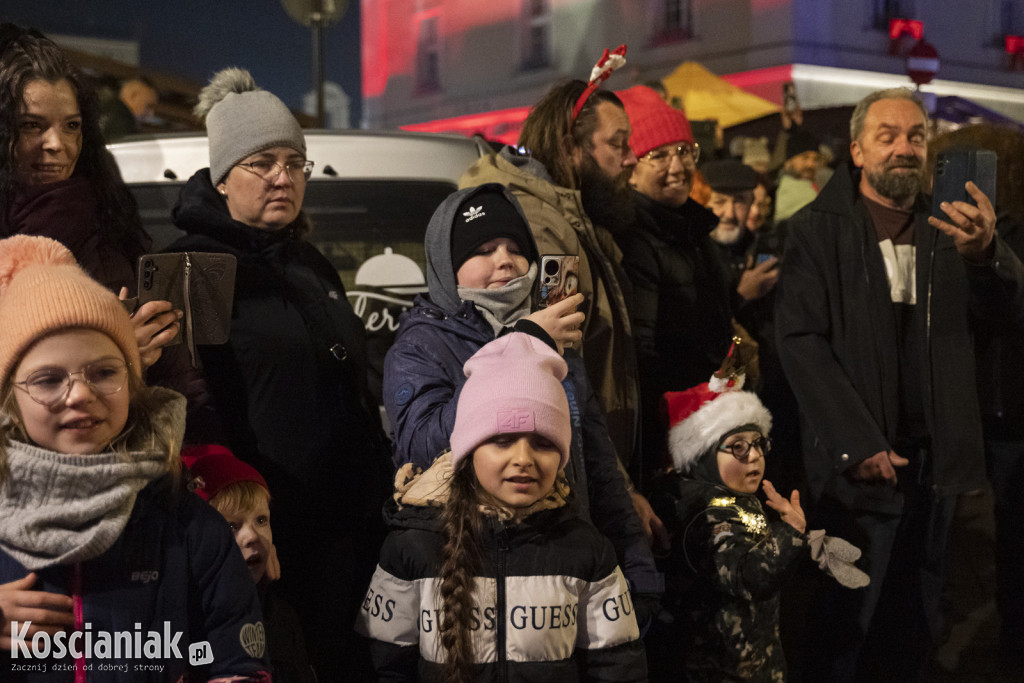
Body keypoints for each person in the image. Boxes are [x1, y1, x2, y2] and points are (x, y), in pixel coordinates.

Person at [774, 87, 1024, 681]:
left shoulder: (954, 226)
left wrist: (986, 255)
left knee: (917, 628)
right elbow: (801, 342)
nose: (904, 148)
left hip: (935, 467)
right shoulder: (817, 230)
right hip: (856, 472)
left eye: (915, 136)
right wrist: (855, 443)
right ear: (857, 151)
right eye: (887, 137)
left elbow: (1006, 315)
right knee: (846, 625)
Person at [149, 67, 390, 678]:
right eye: (262, 162)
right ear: (224, 177)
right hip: (264, 541)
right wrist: (245, 522)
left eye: (295, 162)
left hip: (341, 531)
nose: (283, 177)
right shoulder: (191, 266)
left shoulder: (308, 262)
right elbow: (192, 407)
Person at [0, 235, 269, 681]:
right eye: (48, 379)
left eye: (104, 372)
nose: (81, 394)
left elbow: (234, 659)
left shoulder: (186, 525)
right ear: (10, 398)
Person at [383, 183, 662, 610]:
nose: (505, 260)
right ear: (447, 265)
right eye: (483, 249)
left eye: (515, 246)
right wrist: (522, 343)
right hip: (469, 575)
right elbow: (421, 446)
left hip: (566, 570)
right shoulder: (421, 346)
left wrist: (639, 574)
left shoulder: (554, 336)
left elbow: (597, 466)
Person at [360, 332, 647, 682]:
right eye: (502, 440)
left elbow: (618, 667)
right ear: (468, 450)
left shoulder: (586, 550)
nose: (523, 459)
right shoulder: (411, 546)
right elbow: (385, 667)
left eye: (543, 442)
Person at [459, 74, 641, 474]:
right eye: (617, 143)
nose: (630, 158)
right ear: (570, 148)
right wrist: (618, 485)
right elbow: (560, 368)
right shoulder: (546, 227)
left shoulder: (572, 215)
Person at [648, 353, 867, 682]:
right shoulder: (710, 515)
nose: (753, 455)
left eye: (758, 443)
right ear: (702, 455)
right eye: (736, 446)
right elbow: (747, 575)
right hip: (725, 668)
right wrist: (790, 533)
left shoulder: (731, 500)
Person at [0, 23, 179, 369]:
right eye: (31, 125)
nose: (57, 144)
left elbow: (178, 375)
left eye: (71, 125)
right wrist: (120, 353)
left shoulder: (111, 223)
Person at [610, 85, 735, 484]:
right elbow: (642, 354)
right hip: (674, 432)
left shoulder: (691, 228)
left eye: (684, 150)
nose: (678, 166)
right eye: (659, 155)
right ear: (631, 166)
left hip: (707, 414)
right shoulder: (637, 237)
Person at [182, 444, 316, 683]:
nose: (253, 537)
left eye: (261, 520)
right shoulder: (185, 629)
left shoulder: (281, 617)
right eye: (232, 526)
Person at [773, 127, 822, 223]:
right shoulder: (789, 190)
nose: (810, 164)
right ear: (788, 162)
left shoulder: (812, 186)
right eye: (805, 157)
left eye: (815, 159)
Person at [100, 77, 158, 142]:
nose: (151, 114)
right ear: (133, 95)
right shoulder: (126, 126)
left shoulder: (100, 106)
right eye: (149, 106)